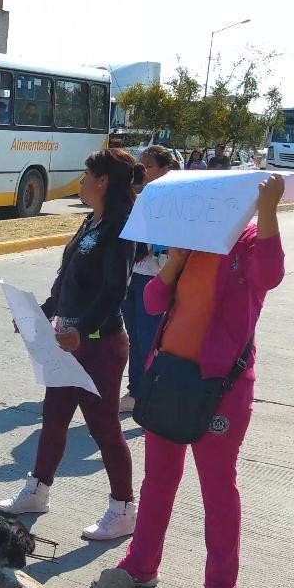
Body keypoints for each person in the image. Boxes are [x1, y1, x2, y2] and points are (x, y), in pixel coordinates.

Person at [118, 175, 287, 588]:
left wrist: (268, 210)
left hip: (220, 388)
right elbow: (153, 302)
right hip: (169, 378)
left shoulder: (248, 240)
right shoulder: (191, 241)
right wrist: (173, 262)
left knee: (217, 485)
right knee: (158, 479)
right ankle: (141, 564)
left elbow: (270, 275)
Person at [0, 148, 140, 541]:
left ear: (103, 180)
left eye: (85, 175)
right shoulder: (91, 221)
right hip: (68, 342)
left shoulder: (121, 227)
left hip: (101, 344)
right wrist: (39, 313)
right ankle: (37, 491)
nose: (80, 182)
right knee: (54, 416)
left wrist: (84, 329)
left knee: (103, 426)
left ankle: (124, 507)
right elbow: (66, 282)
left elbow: (115, 291)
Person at [120, 146, 176, 413]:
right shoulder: (142, 197)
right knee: (134, 338)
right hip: (132, 277)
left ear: (166, 168)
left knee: (148, 340)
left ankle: (150, 393)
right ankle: (136, 391)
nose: (143, 171)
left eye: (149, 166)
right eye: (140, 166)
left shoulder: (176, 199)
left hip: (153, 278)